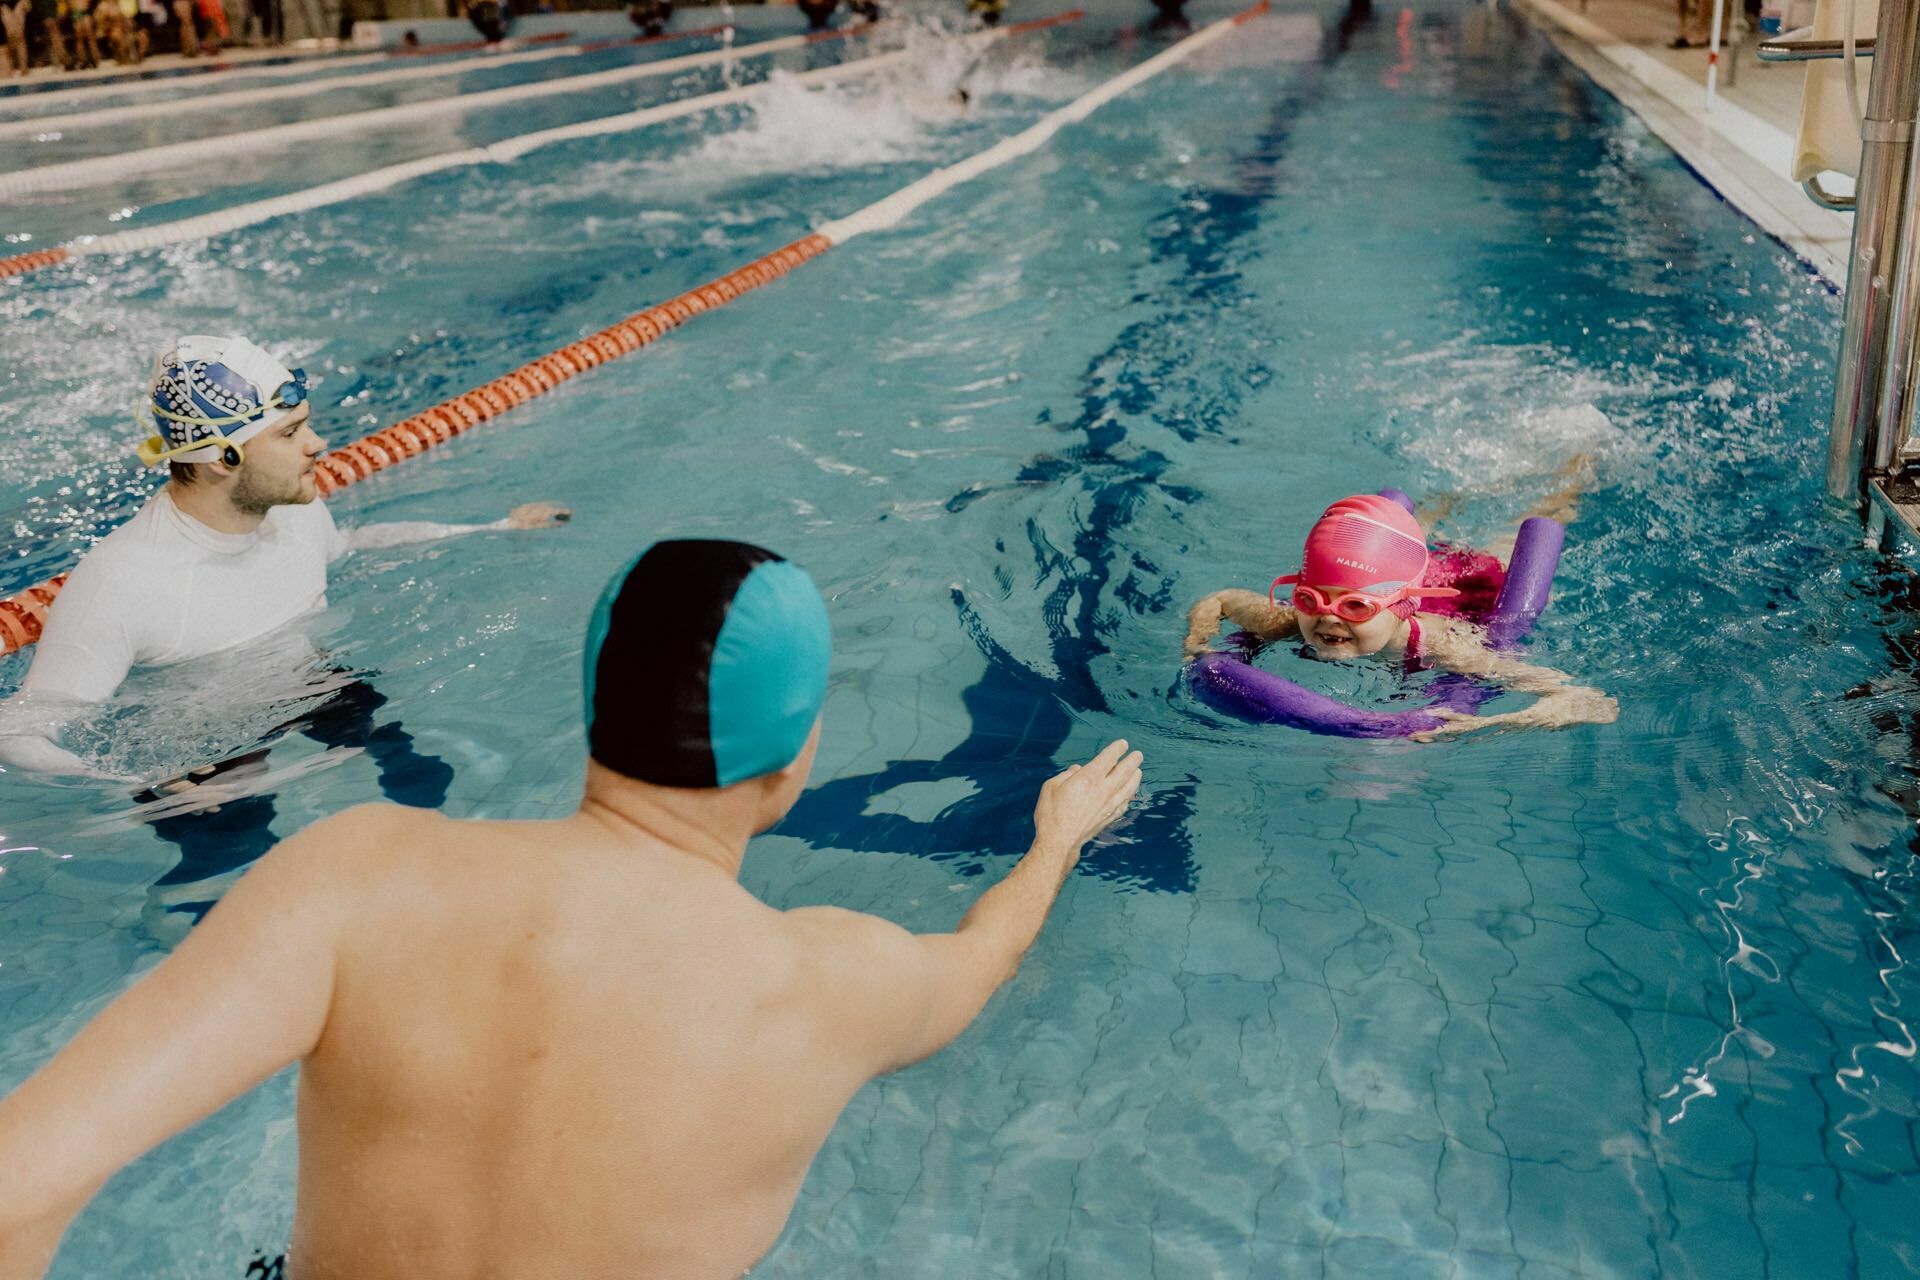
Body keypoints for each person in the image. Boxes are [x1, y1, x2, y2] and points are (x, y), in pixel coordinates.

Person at [0, 537, 1145, 1279]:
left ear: (592, 709)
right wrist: (1056, 836)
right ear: (797, 760)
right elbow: (986, 949)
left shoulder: (359, 876)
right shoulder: (834, 984)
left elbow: (23, 1177)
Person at [0, 336, 568, 891]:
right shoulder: (122, 585)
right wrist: (135, 777)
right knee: (232, 866)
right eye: (291, 432)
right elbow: (19, 732)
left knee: (414, 766)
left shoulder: (295, 511)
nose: (318, 443)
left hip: (310, 682)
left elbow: (348, 543)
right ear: (224, 458)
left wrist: (494, 528)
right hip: (206, 750)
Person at [1182, 487, 1617, 739]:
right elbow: (1220, 599)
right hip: (1393, 577)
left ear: (1403, 609)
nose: (1329, 618)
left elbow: (1574, 695)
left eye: (1355, 606)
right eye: (1312, 599)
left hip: (1467, 590)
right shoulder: (1286, 622)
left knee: (1503, 541)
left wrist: (1512, 720)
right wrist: (1196, 643)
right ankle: (1435, 506)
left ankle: (1567, 487)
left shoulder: (1440, 643)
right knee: (1407, 540)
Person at [1, 0, 29, 74]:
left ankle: (24, 68)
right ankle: (11, 66)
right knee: (11, 35)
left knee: (19, 36)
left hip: (18, 3)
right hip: (4, 5)